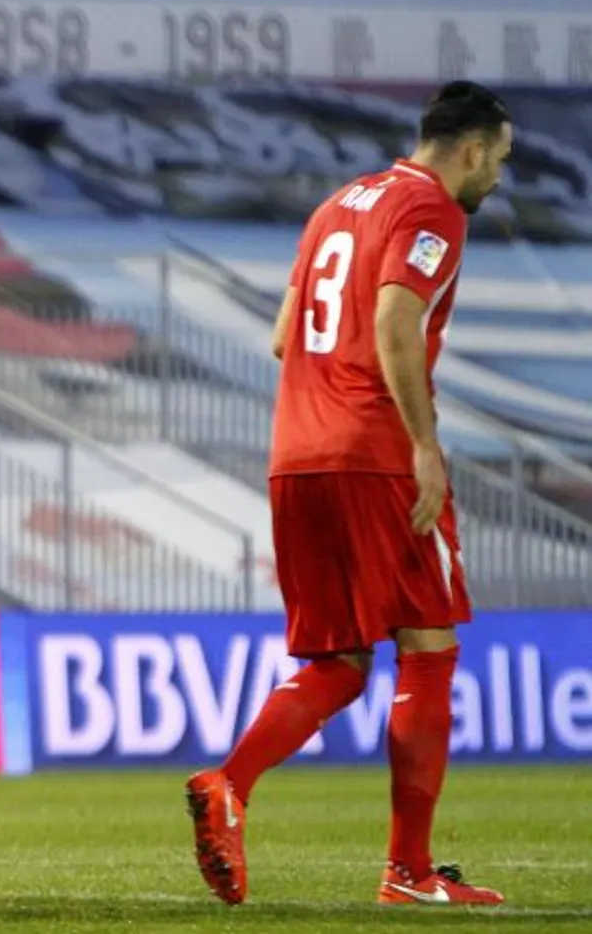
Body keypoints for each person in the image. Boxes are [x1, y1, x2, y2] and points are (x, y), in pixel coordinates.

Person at [186, 80, 513, 909]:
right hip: (376, 455)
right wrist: (425, 445)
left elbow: (281, 335)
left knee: (335, 660)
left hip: (297, 453)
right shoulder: (434, 208)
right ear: (470, 149)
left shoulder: (337, 205)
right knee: (429, 645)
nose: (498, 178)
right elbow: (395, 321)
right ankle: (407, 870)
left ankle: (230, 783)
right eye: (500, 159)